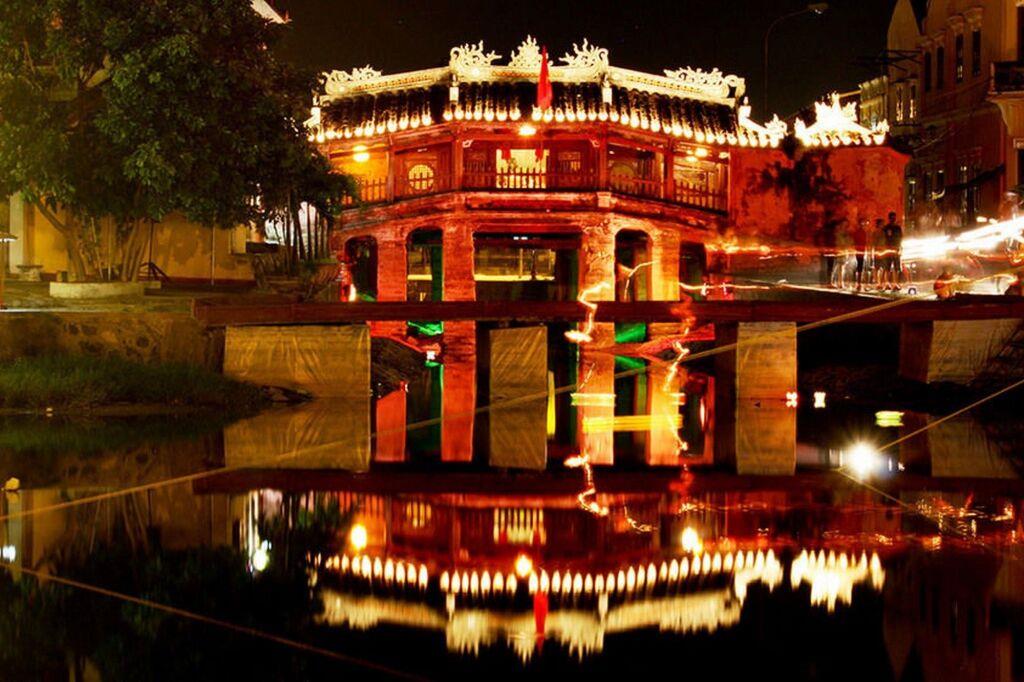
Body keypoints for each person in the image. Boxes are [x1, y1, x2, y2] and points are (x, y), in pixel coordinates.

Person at [814, 215, 840, 287]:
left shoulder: (825, 230)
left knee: (825, 266)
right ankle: (828, 282)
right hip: (828, 250)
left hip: (826, 250)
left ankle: (825, 282)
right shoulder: (830, 233)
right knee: (829, 266)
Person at [881, 212, 904, 291]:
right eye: (892, 217)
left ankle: (895, 283)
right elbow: (883, 238)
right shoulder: (886, 228)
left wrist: (900, 247)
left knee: (896, 267)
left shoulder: (898, 228)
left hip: (896, 249)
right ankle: (887, 283)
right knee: (887, 267)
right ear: (889, 218)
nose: (893, 219)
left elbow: (900, 238)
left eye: (894, 217)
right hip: (888, 249)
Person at [851, 219, 869, 292]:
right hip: (859, 252)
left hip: (862, 251)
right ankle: (858, 283)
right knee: (859, 266)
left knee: (861, 266)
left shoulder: (864, 232)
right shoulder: (859, 232)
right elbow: (855, 241)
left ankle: (859, 282)